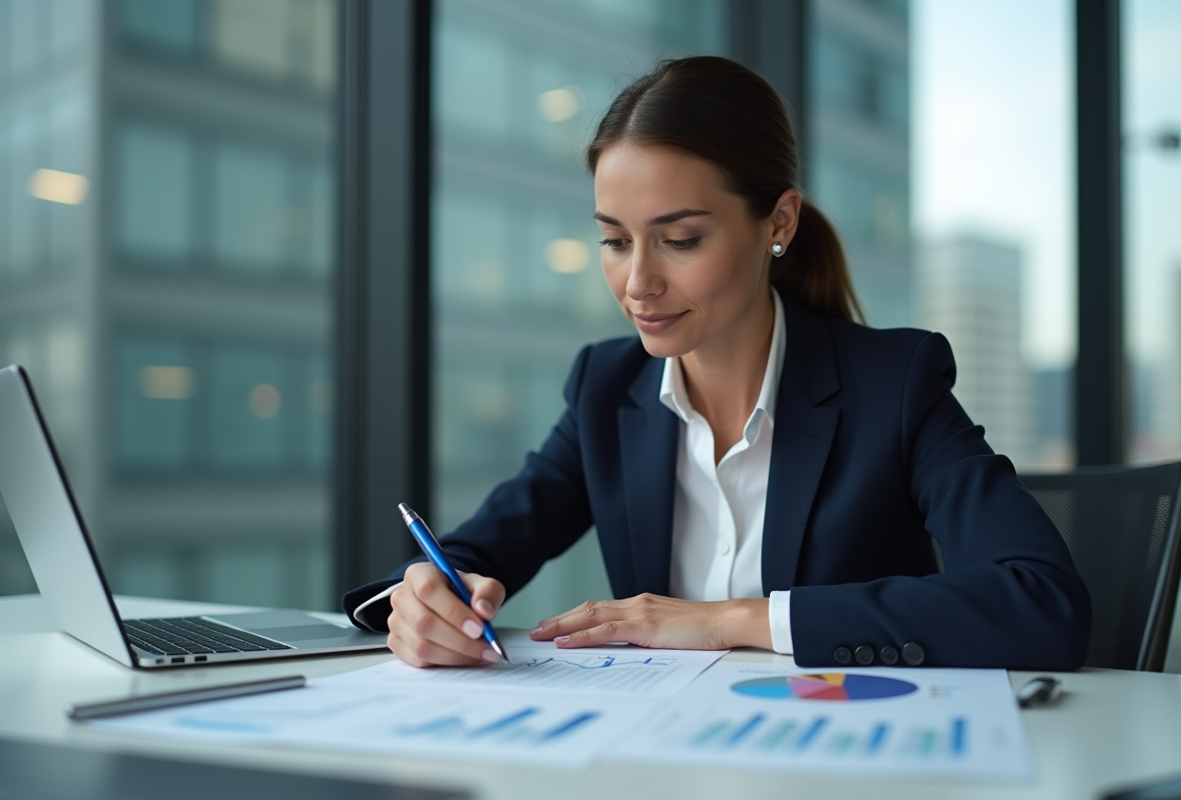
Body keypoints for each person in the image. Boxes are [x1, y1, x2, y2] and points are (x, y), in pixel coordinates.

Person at [343, 55, 1091, 671]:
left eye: (681, 238)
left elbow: (1040, 601)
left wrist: (730, 621)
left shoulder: (895, 384)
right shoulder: (607, 389)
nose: (638, 283)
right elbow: (472, 552)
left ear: (779, 222)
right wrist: (421, 602)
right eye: (614, 239)